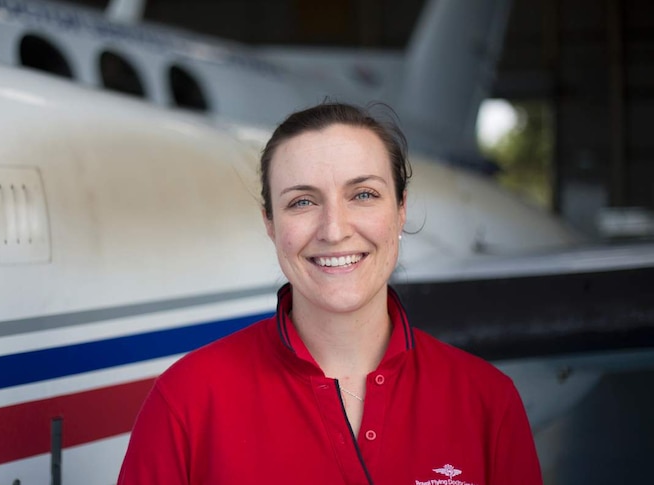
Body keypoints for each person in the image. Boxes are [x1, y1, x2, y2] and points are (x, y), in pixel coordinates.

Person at [117, 102, 542, 485]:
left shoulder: (487, 401)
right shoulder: (186, 401)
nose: (334, 230)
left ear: (400, 211)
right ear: (270, 223)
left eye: (363, 195)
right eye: (302, 202)